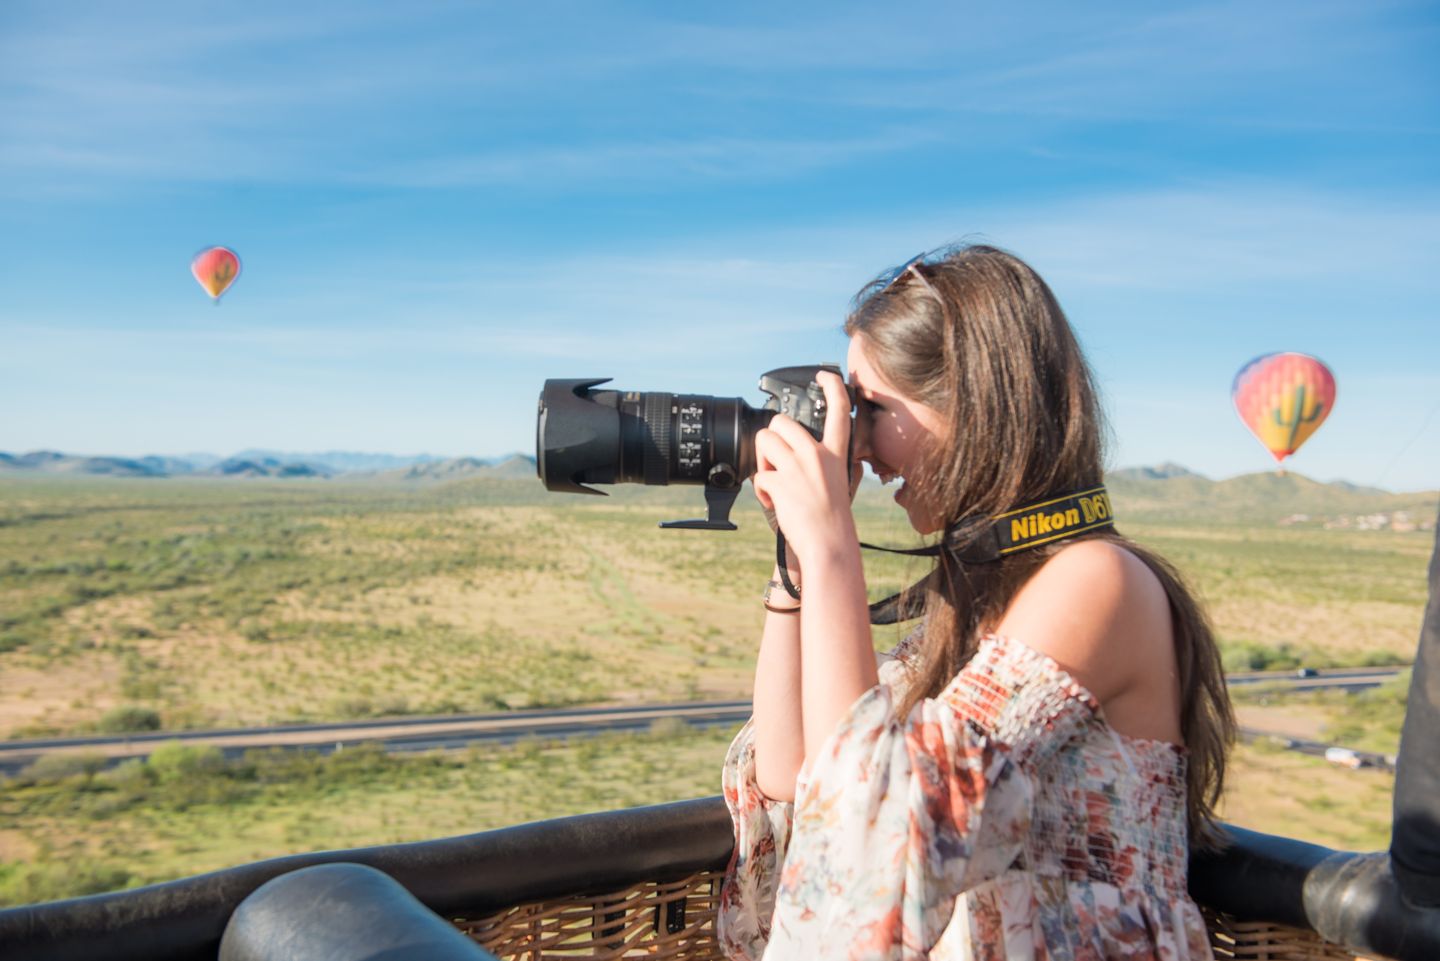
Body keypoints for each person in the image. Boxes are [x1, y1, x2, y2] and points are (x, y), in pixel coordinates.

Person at [717, 245, 1235, 960]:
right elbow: (794, 782)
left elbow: (870, 850)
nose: (858, 447)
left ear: (972, 399)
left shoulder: (1095, 583)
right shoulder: (973, 601)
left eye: (869, 406)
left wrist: (837, 543)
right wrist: (800, 558)